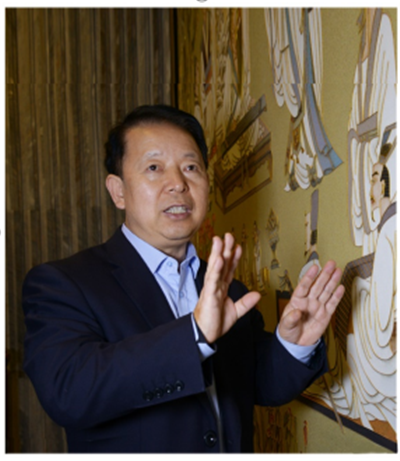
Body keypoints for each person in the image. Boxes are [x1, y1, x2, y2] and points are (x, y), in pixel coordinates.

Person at [22, 105, 345, 453]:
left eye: (191, 167)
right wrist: (195, 336)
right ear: (118, 191)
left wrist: (295, 344)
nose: (178, 183)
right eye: (154, 168)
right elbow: (69, 392)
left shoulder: (228, 287)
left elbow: (260, 385)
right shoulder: (64, 283)